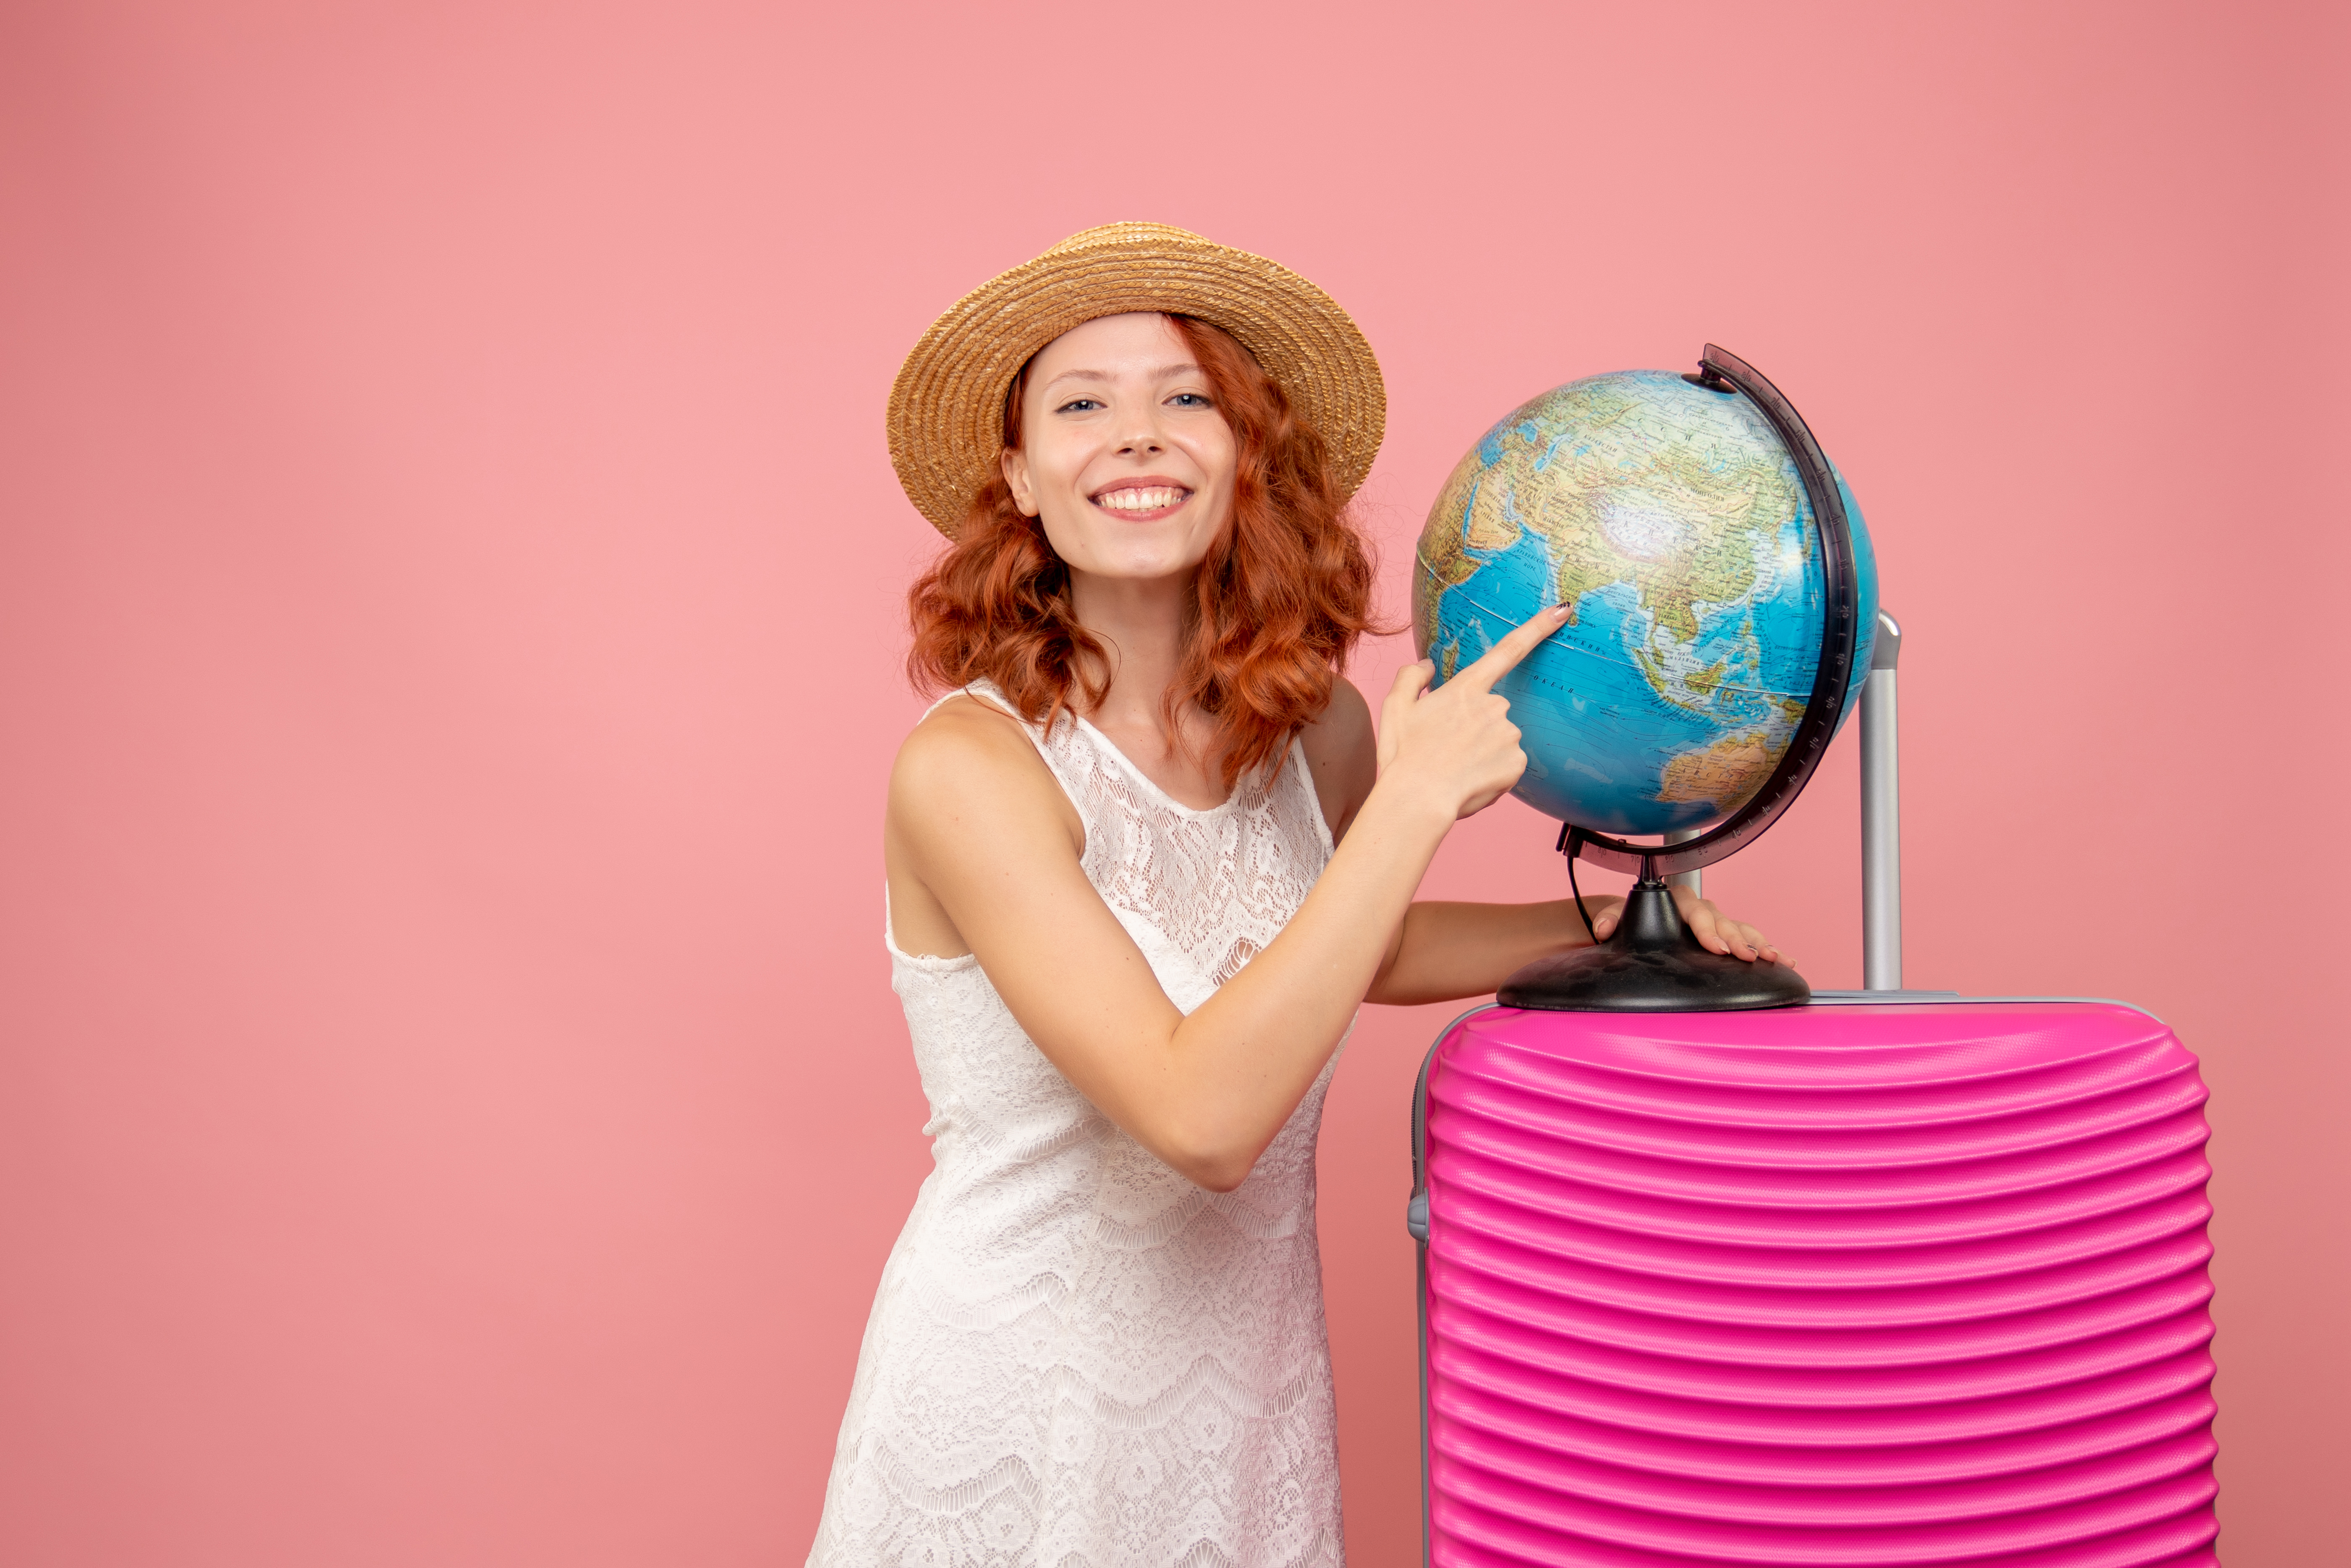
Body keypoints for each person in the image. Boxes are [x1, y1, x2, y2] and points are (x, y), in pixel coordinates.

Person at [806, 223, 1782, 1567]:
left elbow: (1333, 949)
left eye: (1185, 399)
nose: (1137, 437)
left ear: (1246, 455)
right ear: (1022, 478)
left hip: (1248, 1400)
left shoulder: (1313, 725)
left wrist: (1594, 927)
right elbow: (1200, 1113)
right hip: (1021, 1412)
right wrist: (1418, 806)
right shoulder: (971, 769)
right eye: (1082, 406)